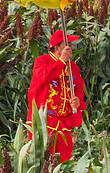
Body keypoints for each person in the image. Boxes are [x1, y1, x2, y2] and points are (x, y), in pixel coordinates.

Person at [27, 30, 86, 162]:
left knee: (63, 164)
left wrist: (78, 101)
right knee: (42, 164)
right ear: (56, 47)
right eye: (67, 44)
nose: (71, 47)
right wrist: (61, 61)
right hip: (43, 123)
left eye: (71, 45)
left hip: (63, 124)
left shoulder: (73, 67)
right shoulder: (42, 61)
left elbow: (79, 89)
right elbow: (43, 77)